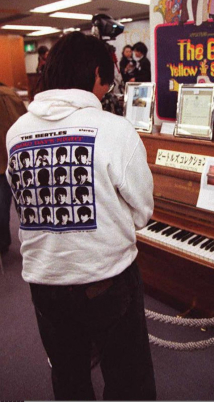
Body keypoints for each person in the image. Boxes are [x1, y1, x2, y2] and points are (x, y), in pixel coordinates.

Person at [5, 31, 156, 401]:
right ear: (95, 74)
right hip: (107, 281)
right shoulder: (116, 129)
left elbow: (22, 201)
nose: (106, 90)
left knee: (69, 379)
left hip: (45, 283)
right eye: (107, 80)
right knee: (128, 381)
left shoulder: (16, 133)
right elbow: (142, 211)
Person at [0, 82, 27, 254]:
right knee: (25, 203)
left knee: (2, 205)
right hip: (17, 157)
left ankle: (2, 242)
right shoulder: (11, 95)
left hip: (2, 161)